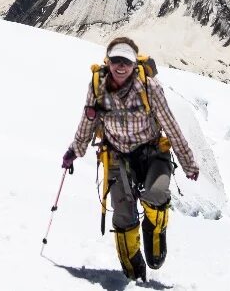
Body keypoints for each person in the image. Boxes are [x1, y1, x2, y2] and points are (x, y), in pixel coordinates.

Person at [62, 36, 200, 280]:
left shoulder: (149, 87)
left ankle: (153, 230)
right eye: (116, 60)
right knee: (123, 214)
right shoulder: (98, 86)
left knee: (156, 193)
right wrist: (75, 150)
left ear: (134, 63)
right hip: (116, 155)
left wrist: (188, 162)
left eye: (126, 60)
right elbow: (88, 121)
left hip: (152, 151)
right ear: (108, 61)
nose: (120, 66)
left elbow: (171, 124)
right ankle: (133, 271)